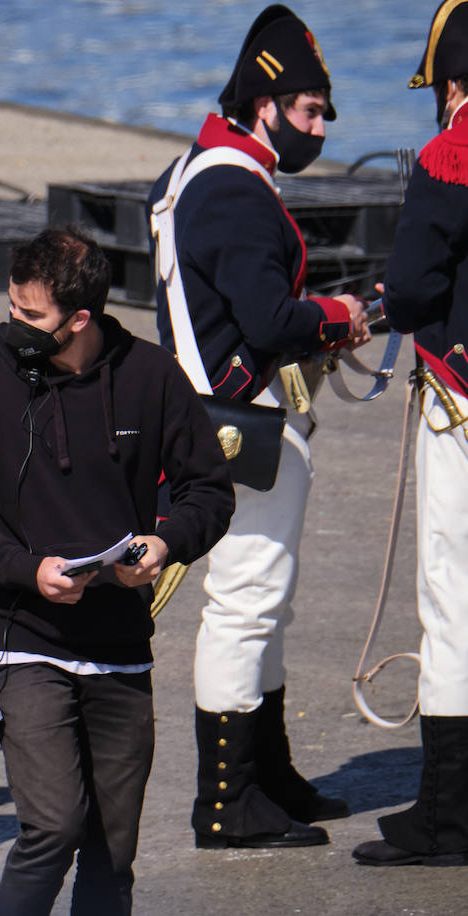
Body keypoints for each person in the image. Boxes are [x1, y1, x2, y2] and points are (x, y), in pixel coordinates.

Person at [0, 227, 234, 916]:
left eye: (31, 316)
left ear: (81, 318)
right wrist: (28, 572)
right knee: (53, 825)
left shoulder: (151, 374)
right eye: (12, 307)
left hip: (121, 648)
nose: (14, 326)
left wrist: (165, 544)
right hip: (22, 635)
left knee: (113, 847)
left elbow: (209, 490)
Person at [146, 3, 371, 850]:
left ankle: (268, 775)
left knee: (264, 602)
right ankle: (225, 802)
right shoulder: (237, 187)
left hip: (212, 410)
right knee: (244, 606)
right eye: (310, 111)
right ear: (267, 103)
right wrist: (338, 311)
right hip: (238, 426)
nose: (318, 129)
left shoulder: (200, 166)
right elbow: (270, 319)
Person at [352, 0, 468, 868]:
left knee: (453, 605)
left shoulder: (450, 153)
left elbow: (416, 285)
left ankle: (449, 817)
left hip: (460, 402)